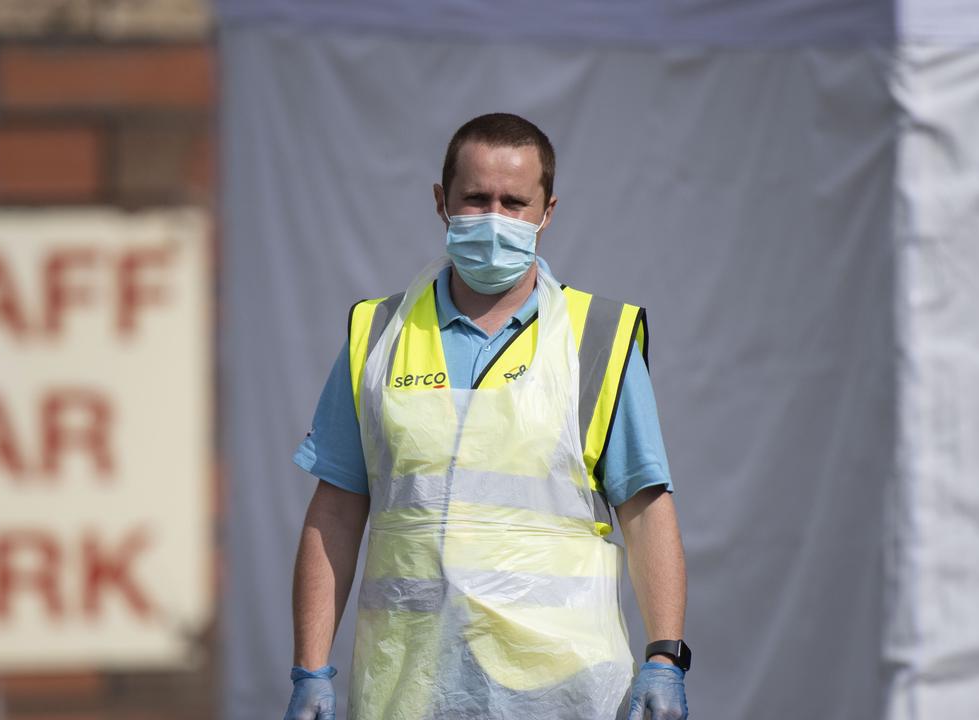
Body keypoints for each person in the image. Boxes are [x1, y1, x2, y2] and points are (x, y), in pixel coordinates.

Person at [283, 113, 689, 720]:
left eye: (514, 202)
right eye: (475, 199)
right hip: (410, 684)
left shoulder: (597, 338)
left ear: (547, 212)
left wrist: (663, 656)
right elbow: (337, 509)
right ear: (441, 201)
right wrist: (310, 667)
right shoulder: (379, 336)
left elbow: (646, 509)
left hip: (561, 689)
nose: (495, 217)